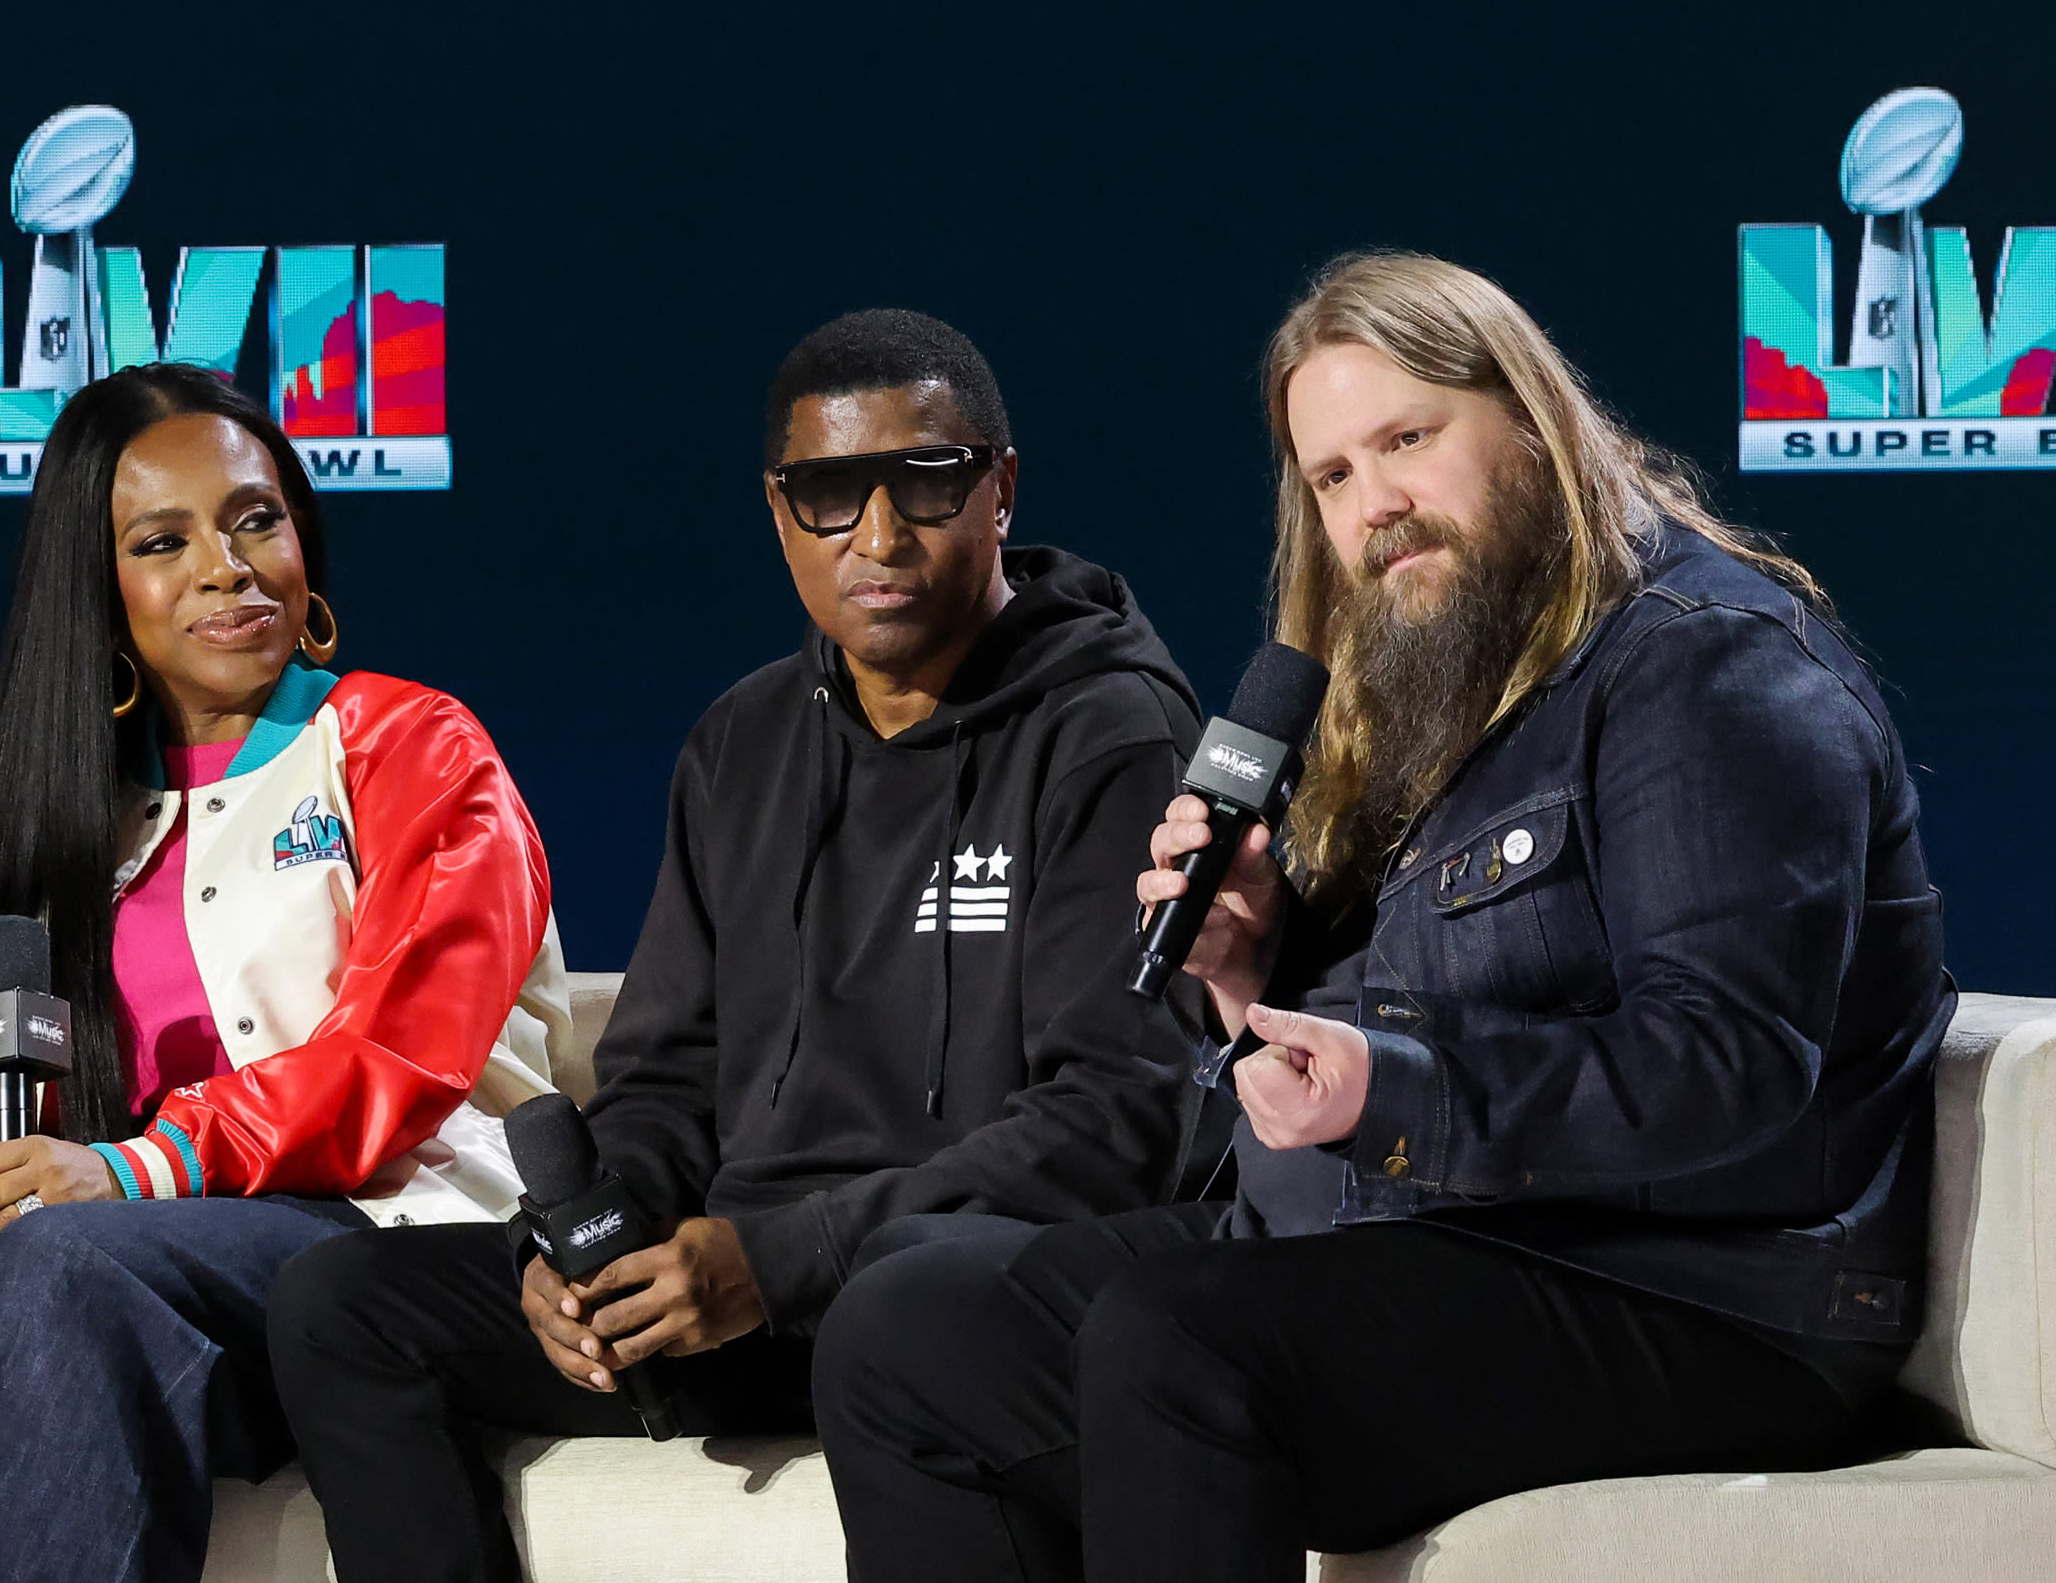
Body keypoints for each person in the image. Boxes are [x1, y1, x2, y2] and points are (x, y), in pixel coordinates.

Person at [813, 253, 1957, 1582]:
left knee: (1182, 1336)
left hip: (1718, 1292)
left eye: (1409, 438)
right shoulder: (1449, 672)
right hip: (1453, 1237)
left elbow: (1733, 1062)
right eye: (1334, 475)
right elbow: (1413, 1022)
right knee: (906, 1326)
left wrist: (1395, 1089)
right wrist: (1253, 972)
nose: (1378, 506)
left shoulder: (1706, 664)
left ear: (1531, 419)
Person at [267, 309, 1211, 1582]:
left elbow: (1120, 1111)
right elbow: (665, 1076)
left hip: (950, 1289)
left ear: (999, 490)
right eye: (829, 495)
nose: (878, 538)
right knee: (343, 1307)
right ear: (780, 514)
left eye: (926, 484)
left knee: (902, 1303)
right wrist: (593, 1246)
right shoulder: (740, 743)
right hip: (742, 1287)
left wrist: (790, 1259)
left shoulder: (1106, 731)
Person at [0, 364, 573, 1583]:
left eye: (256, 518)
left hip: (382, 1239)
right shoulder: (55, 806)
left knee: (66, 1264)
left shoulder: (412, 744)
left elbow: (399, 1052)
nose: (226, 565)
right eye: (162, 540)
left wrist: (138, 1166)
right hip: (109, 1262)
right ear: (100, 592)